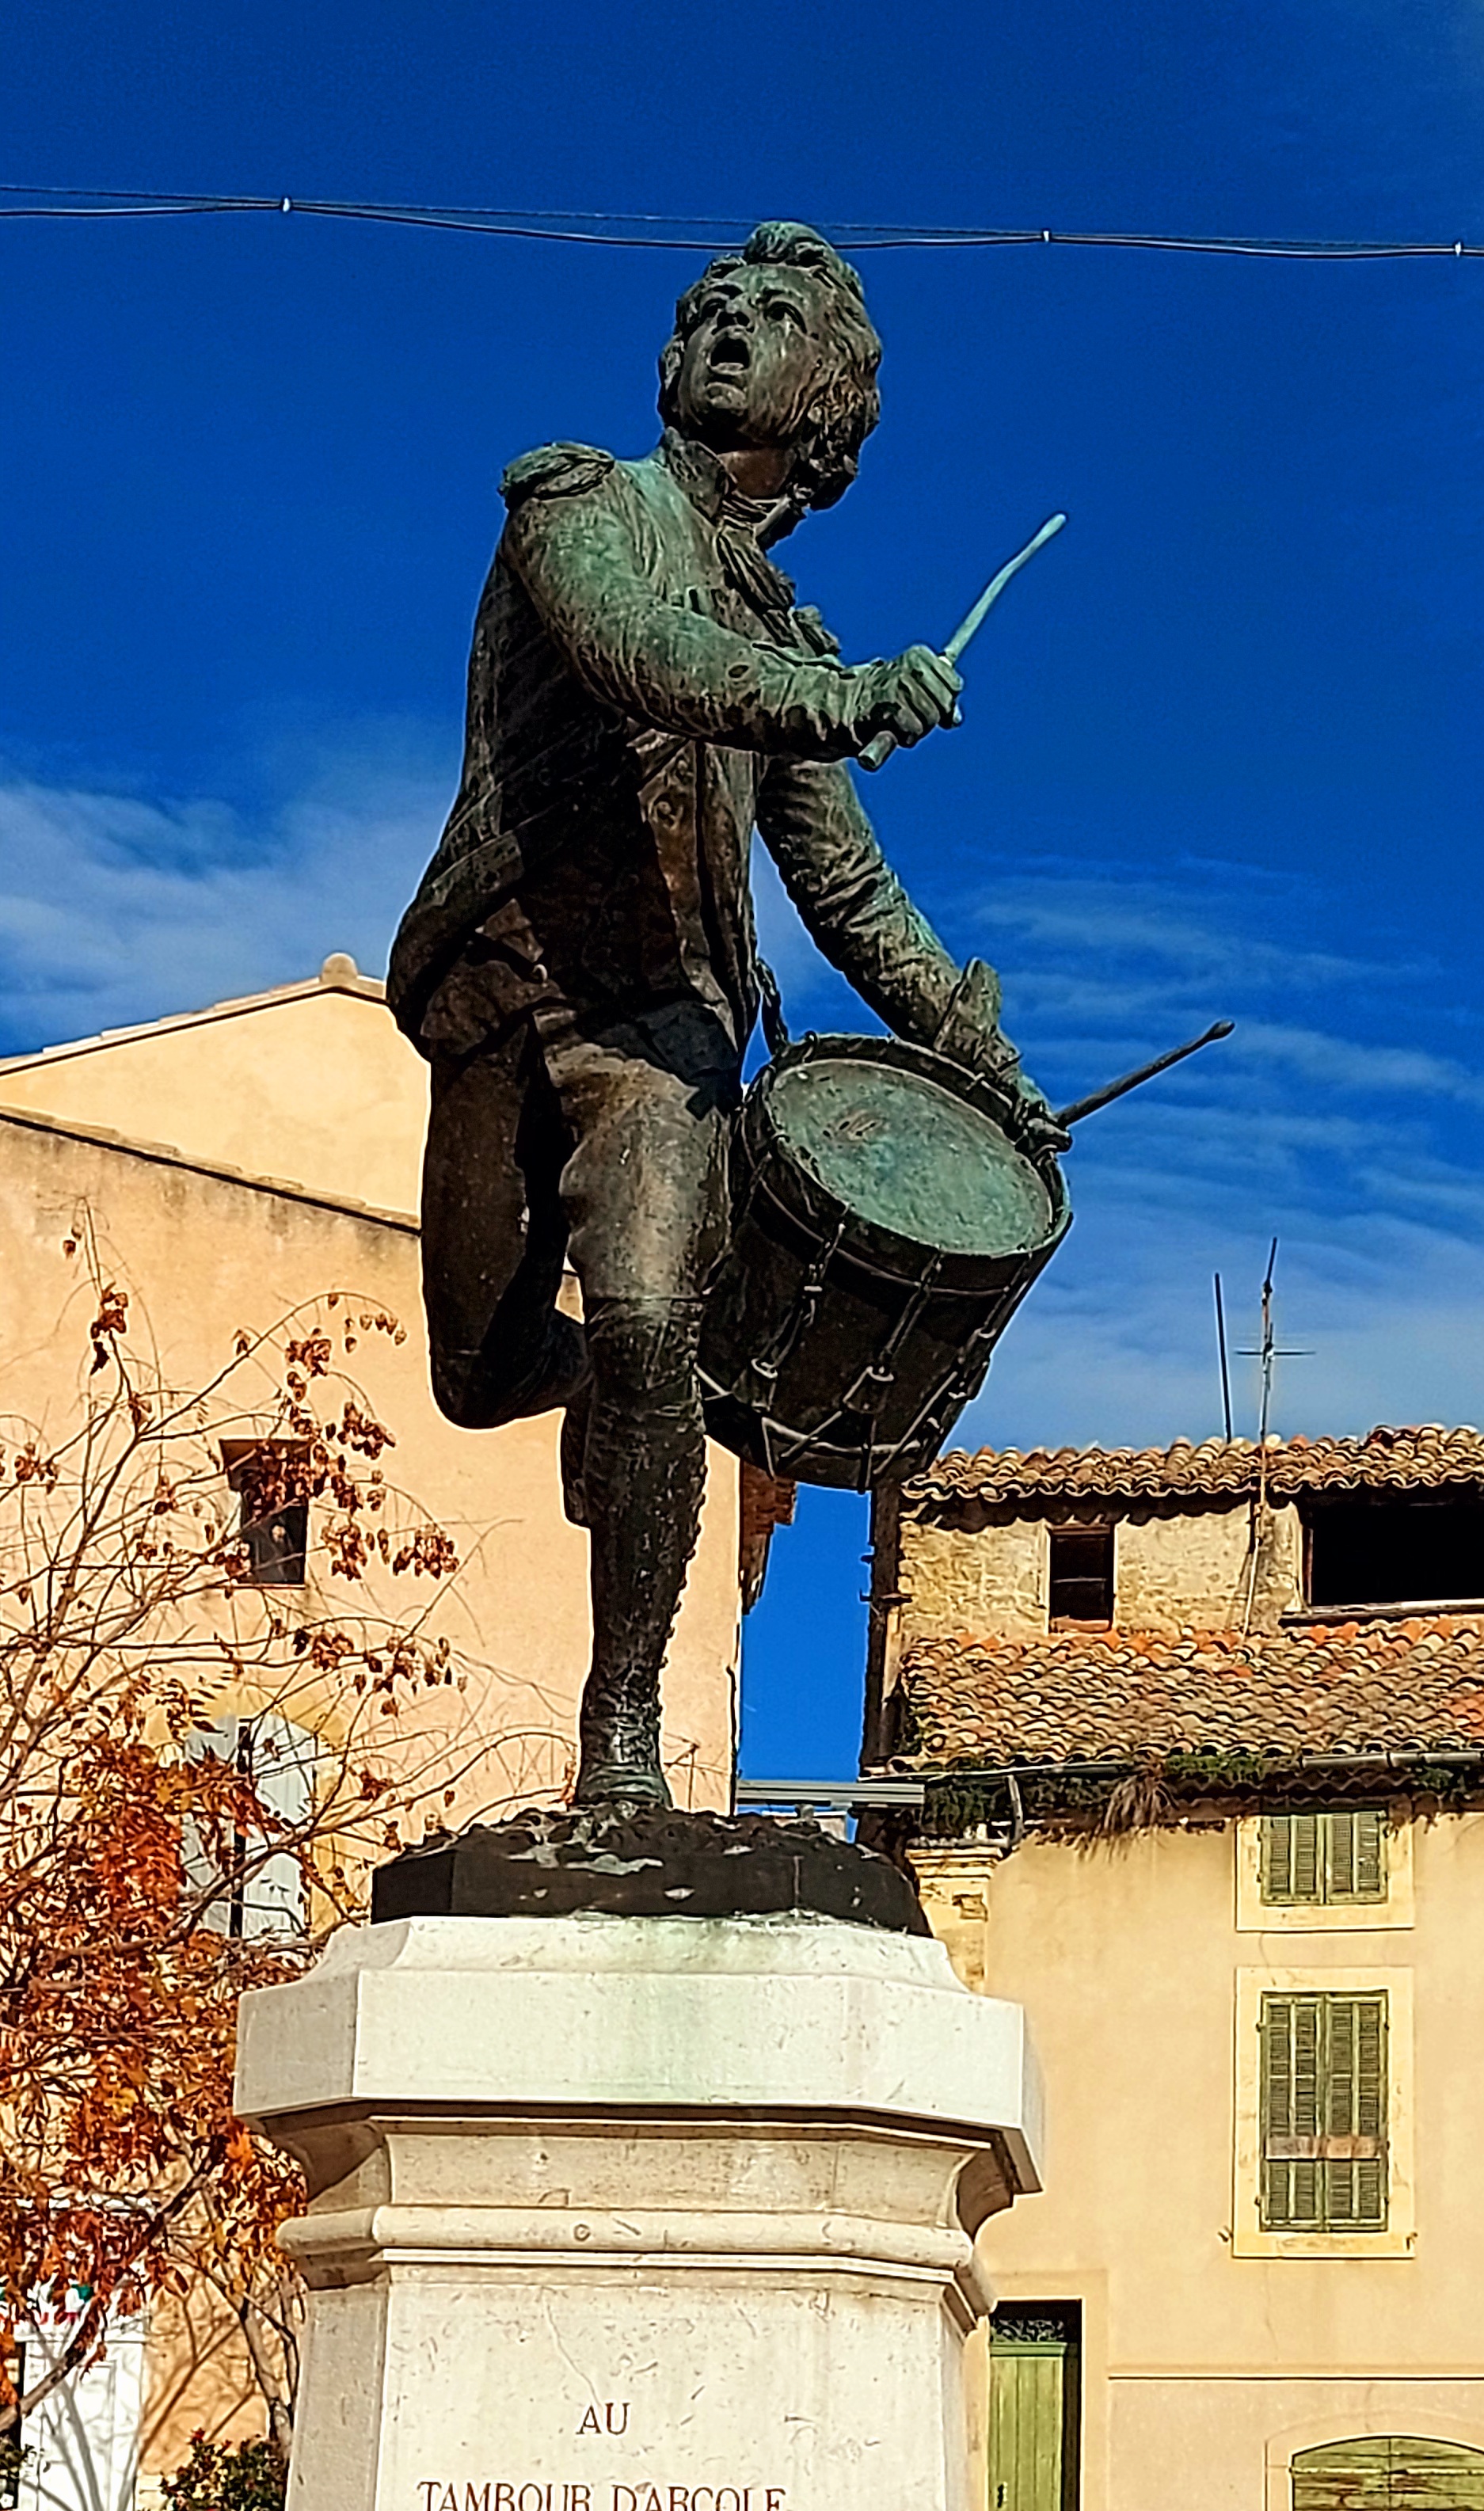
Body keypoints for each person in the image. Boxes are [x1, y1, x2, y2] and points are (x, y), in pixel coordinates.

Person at [389, 218, 1061, 1807]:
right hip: (504, 987)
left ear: (823, 409)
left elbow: (847, 888)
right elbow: (637, 654)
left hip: (664, 1026)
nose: (731, 329)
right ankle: (619, 1386)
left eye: (772, 320)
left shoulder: (787, 644)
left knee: (649, 1322)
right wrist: (838, 696)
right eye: (714, 310)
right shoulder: (575, 503)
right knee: (478, 1371)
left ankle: (621, 1737)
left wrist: (975, 1045)